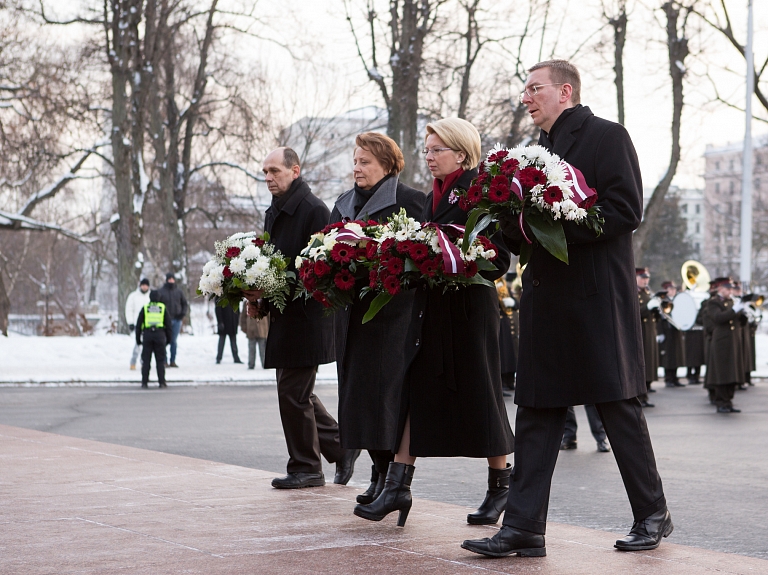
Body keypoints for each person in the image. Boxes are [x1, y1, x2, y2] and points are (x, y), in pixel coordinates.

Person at [463, 59, 671, 558]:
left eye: (534, 89)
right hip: (546, 300)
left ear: (566, 90)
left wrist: (556, 223)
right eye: (524, 90)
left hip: (596, 299)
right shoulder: (535, 153)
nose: (525, 97)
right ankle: (524, 528)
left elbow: (625, 210)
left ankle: (652, 514)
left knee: (617, 407)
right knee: (536, 412)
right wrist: (503, 224)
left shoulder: (606, 136)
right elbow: (525, 233)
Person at [353, 118, 514, 528]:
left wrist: (455, 260)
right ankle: (397, 487)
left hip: (468, 312)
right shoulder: (432, 196)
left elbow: (499, 257)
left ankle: (501, 488)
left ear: (461, 153)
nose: (428, 157)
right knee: (415, 390)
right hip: (432, 310)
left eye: (436, 150)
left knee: (483, 397)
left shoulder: (481, 192)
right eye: (426, 150)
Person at [243, 147, 359, 489]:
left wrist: (270, 290)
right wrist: (257, 298)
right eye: (265, 171)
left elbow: (317, 270)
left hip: (309, 318)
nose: (268, 178)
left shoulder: (313, 210)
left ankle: (307, 467)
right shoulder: (273, 212)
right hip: (285, 315)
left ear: (295, 170)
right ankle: (340, 445)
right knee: (298, 392)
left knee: (292, 391)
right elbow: (269, 264)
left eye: (274, 171)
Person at [329, 132, 426, 506]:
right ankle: (377, 470)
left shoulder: (412, 202)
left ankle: (389, 476)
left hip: (391, 318)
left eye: (365, 161)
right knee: (355, 399)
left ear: (387, 164)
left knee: (385, 398)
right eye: (355, 161)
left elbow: (420, 257)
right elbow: (322, 249)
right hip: (351, 317)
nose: (357, 168)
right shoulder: (342, 204)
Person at [704, 278, 743, 413]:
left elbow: (740, 323)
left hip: (733, 342)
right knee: (721, 373)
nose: (730, 291)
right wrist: (734, 310)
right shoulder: (713, 303)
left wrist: (744, 312)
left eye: (731, 289)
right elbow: (718, 318)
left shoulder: (732, 302)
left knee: (732, 372)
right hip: (721, 342)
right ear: (720, 289)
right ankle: (721, 402)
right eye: (728, 289)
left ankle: (729, 401)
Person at [135, 290, 172, 389]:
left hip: (147, 335)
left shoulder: (146, 308)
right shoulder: (162, 308)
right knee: (160, 360)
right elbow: (168, 325)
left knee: (146, 360)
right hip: (159, 336)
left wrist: (138, 339)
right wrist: (168, 339)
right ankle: (161, 382)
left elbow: (138, 325)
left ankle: (144, 382)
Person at [636, 268, 658, 407]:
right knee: (642, 366)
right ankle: (640, 397)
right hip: (641, 333)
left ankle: (645, 396)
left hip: (649, 332)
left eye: (647, 278)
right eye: (643, 277)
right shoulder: (633, 292)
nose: (646, 280)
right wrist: (648, 307)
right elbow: (634, 311)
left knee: (649, 364)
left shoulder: (647, 293)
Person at [157, 273, 188, 368]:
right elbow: (158, 305)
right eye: (169, 279)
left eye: (172, 279)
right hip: (164, 320)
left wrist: (182, 314)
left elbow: (184, 304)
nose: (171, 281)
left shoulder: (179, 292)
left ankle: (173, 361)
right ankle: (164, 361)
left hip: (177, 319)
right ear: (166, 280)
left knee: (173, 341)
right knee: (164, 340)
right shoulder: (161, 291)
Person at [659, 281, 686, 387]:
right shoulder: (663, 301)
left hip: (676, 332)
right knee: (668, 356)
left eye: (674, 289)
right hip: (667, 332)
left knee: (676, 356)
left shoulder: (677, 301)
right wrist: (660, 333)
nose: (673, 291)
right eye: (671, 289)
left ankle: (675, 378)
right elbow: (660, 320)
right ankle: (668, 378)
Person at [496, 278, 517, 397]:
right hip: (499, 324)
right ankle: (503, 382)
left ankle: (509, 381)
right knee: (503, 356)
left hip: (506, 324)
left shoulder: (504, 285)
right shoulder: (495, 286)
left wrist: (512, 302)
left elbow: (515, 303)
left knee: (509, 355)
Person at [125, 278, 150, 370]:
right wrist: (130, 322)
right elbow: (129, 309)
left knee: (147, 345)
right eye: (143, 285)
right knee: (138, 343)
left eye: (146, 285)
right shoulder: (133, 296)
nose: (144, 287)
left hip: (148, 324)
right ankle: (133, 361)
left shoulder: (150, 296)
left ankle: (144, 361)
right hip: (137, 324)